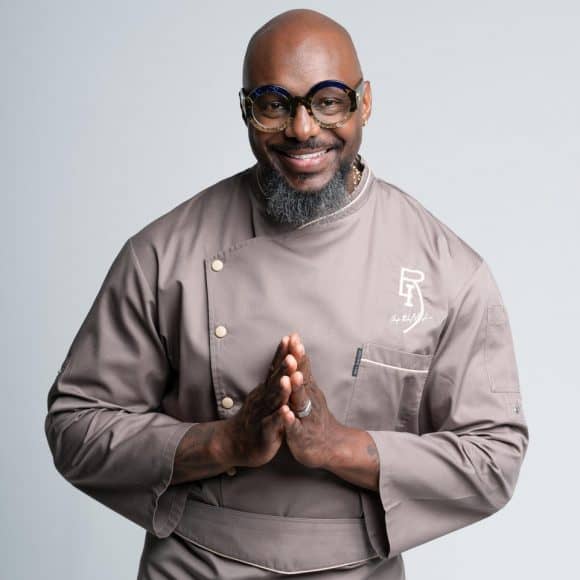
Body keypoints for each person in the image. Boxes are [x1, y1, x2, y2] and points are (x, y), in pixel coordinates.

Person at [44, 8, 529, 579]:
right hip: (195, 566)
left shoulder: (447, 271)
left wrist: (340, 446)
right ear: (245, 109)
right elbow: (75, 425)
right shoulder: (164, 254)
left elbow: (494, 457)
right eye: (274, 104)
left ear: (365, 103)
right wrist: (225, 443)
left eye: (329, 101)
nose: (302, 129)